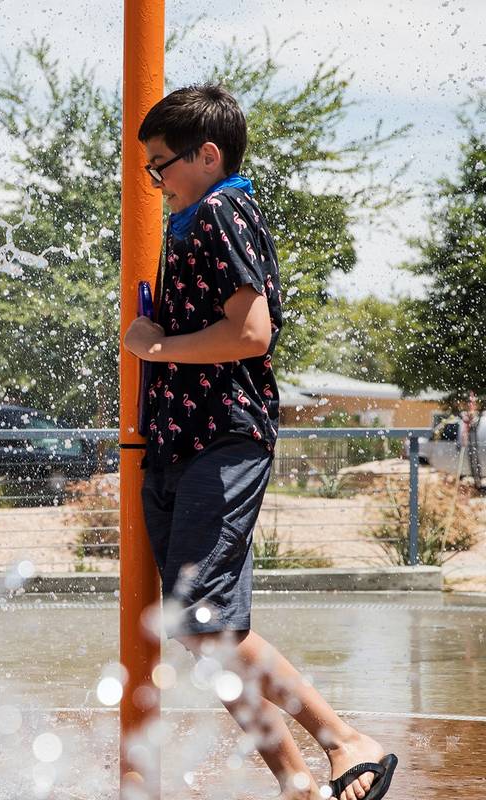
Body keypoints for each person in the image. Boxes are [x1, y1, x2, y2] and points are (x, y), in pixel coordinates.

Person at [123, 85, 397, 800]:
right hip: (186, 442)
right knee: (203, 630)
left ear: (207, 155)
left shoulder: (220, 209)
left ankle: (345, 739)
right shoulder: (198, 214)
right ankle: (295, 780)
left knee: (201, 620)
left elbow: (251, 333)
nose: (154, 181)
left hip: (221, 436)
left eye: (161, 166)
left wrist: (156, 348)